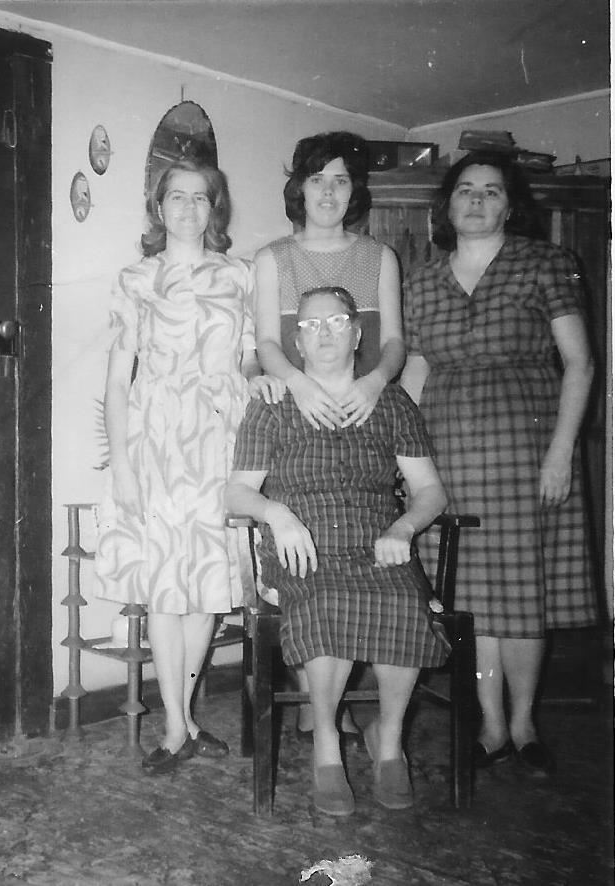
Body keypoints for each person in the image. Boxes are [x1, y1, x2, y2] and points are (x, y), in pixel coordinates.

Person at [400, 151, 598, 777]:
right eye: (465, 190)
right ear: (448, 204)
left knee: (523, 592)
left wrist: (561, 451)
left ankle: (524, 722)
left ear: (511, 204)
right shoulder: (422, 281)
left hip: (527, 451)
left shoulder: (548, 264)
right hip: (448, 455)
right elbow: (416, 371)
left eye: (491, 191)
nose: (477, 201)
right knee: (474, 595)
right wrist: (400, 460)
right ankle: (489, 724)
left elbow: (580, 363)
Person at [226, 286, 448, 815]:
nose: (324, 333)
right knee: (325, 606)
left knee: (405, 604)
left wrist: (404, 529)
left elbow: (430, 491)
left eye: (336, 321)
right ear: (296, 344)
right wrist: (277, 515)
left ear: (357, 333)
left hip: (377, 544)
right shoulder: (273, 403)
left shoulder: (391, 402)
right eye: (310, 326)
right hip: (302, 547)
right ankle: (327, 745)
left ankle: (388, 743)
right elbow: (236, 492)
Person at [96, 159, 278, 775]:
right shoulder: (136, 278)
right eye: (177, 197)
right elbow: (119, 381)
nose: (189, 208)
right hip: (155, 443)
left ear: (215, 208)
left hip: (220, 441)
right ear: (158, 205)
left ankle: (186, 719)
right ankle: (176, 724)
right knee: (163, 592)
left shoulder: (241, 275)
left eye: (202, 199)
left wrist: (253, 385)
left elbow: (252, 359)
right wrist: (122, 463)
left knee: (206, 586)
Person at [254, 130, 406, 742]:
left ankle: (358, 716)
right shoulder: (274, 258)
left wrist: (375, 386)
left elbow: (392, 343)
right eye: (318, 178)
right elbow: (267, 342)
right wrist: (296, 383)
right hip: (303, 406)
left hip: (364, 415)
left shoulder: (379, 258)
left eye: (341, 180)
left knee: (369, 552)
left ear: (355, 191)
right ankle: (324, 709)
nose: (329, 191)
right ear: (299, 187)